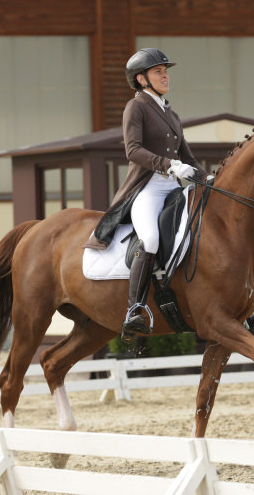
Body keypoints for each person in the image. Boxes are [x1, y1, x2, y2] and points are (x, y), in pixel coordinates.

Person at [85, 48, 211, 337]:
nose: (165, 74)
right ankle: (134, 308)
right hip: (148, 188)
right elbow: (133, 150)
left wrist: (208, 177)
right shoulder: (137, 107)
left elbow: (188, 157)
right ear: (142, 79)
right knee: (151, 238)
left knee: (206, 231)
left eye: (166, 70)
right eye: (158, 71)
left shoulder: (171, 112)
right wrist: (169, 166)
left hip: (174, 188)